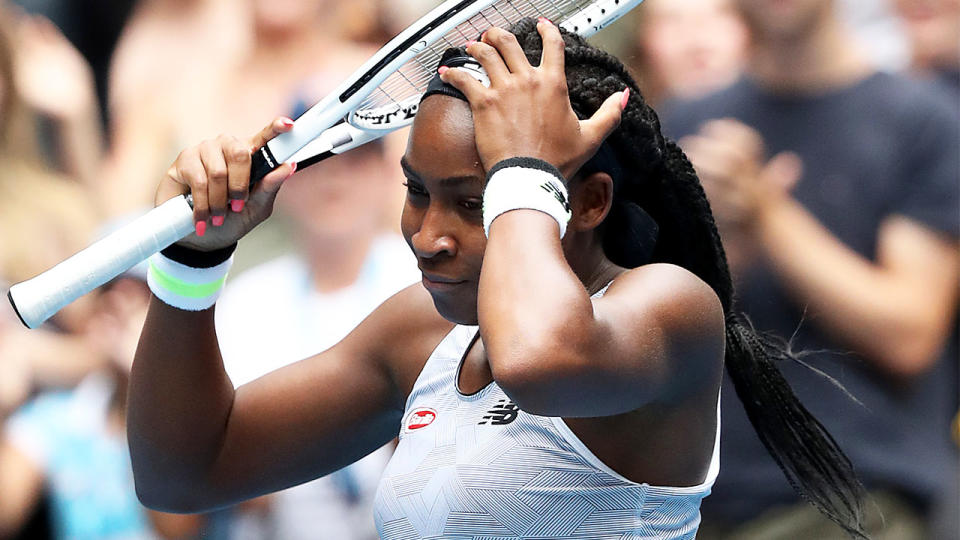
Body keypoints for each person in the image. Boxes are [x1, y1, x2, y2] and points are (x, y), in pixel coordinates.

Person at [128, 18, 867, 538]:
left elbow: (536, 360)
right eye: (417, 190)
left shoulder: (670, 310)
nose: (428, 236)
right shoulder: (419, 334)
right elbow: (185, 473)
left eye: (474, 203)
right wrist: (195, 266)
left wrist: (525, 170)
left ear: (586, 203)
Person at [659, 0, 960, 537]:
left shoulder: (925, 121)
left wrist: (769, 213)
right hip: (693, 503)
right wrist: (725, 241)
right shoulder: (685, 124)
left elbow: (909, 335)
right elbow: (665, 350)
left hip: (857, 499)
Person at [214, 137, 419, 540]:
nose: (334, 177)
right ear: (283, 184)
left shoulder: (425, 280)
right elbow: (222, 468)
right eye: (315, 163)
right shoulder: (245, 301)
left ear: (386, 173)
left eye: (354, 159)